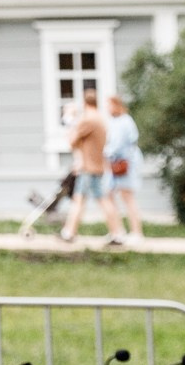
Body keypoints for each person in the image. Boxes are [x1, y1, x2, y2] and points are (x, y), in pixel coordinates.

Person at [59, 84, 114, 245]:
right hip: (94, 165)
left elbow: (71, 140)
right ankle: (70, 232)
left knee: (85, 199)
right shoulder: (99, 118)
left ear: (85, 102)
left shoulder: (88, 119)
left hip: (89, 168)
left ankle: (69, 233)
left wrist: (69, 119)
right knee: (87, 199)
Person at [104, 91, 144, 243]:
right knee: (109, 195)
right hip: (115, 164)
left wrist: (103, 153)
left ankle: (136, 232)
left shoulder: (125, 121)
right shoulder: (115, 122)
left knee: (127, 197)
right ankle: (117, 230)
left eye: (109, 105)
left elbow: (117, 144)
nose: (107, 108)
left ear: (116, 105)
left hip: (124, 163)